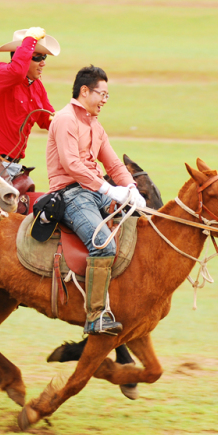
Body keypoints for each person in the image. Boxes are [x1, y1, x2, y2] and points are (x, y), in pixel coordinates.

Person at [45, 65, 146, 336]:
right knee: (102, 244)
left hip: (95, 192)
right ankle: (96, 316)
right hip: (71, 194)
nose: (104, 100)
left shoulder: (95, 126)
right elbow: (72, 164)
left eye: (107, 96)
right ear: (85, 91)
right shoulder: (66, 119)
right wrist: (109, 190)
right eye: (102, 94)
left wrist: (132, 189)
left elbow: (113, 163)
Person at [0, 27, 60, 182]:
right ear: (22, 56)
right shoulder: (3, 73)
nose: (43, 63)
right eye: (37, 58)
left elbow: (49, 120)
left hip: (10, 165)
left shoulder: (37, 87)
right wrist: (30, 39)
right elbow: (18, 72)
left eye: (44, 57)